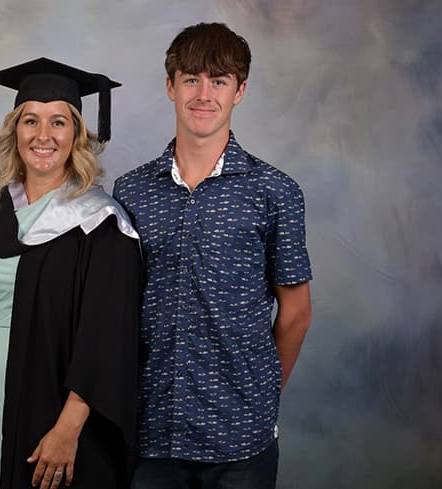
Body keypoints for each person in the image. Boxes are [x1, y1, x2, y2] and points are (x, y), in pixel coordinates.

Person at [113, 23, 313, 489]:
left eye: (219, 81)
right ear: (170, 86)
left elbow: (297, 314)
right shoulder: (132, 191)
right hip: (153, 431)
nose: (204, 94)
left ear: (240, 91)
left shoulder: (275, 192)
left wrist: (258, 397)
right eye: (191, 79)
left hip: (241, 437)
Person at [0, 58, 142, 489]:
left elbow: (108, 336)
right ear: (13, 132)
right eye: (30, 121)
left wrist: (70, 426)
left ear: (76, 134)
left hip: (58, 408)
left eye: (58, 122)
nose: (43, 135)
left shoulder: (101, 224)